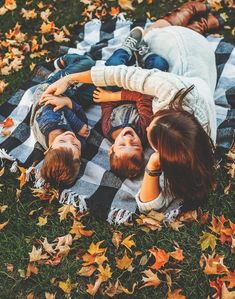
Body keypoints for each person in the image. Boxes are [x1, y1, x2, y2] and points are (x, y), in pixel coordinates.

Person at [41, 1, 219, 211]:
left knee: (155, 32)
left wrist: (153, 168)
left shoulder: (189, 140)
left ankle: (199, 19)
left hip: (192, 54)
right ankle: (197, 17)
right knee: (155, 39)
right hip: (190, 54)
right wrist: (69, 79)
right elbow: (124, 75)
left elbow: (150, 203)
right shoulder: (171, 93)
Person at [30, 54, 95, 187]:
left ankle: (61, 61)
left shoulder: (49, 122)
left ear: (48, 150)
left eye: (63, 140)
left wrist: (78, 124)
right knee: (100, 82)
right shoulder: (72, 150)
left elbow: (78, 122)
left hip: (51, 91)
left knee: (88, 62)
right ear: (80, 159)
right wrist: (71, 105)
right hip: (71, 102)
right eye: (75, 145)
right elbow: (83, 128)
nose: (71, 137)